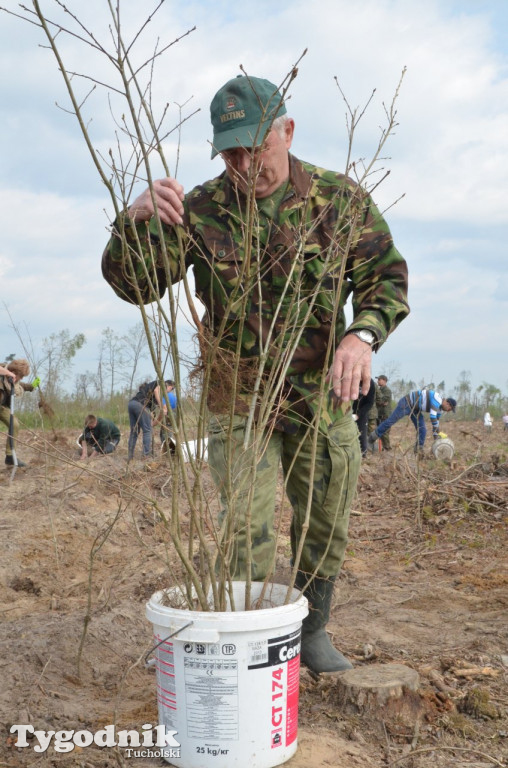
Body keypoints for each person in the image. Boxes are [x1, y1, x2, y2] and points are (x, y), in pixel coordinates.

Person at [101, 74, 410, 673]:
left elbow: (387, 277)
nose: (244, 165)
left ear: (286, 132)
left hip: (320, 397)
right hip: (237, 398)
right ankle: (246, 642)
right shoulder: (198, 210)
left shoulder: (337, 199)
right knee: (246, 528)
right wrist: (135, 223)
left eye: (256, 148)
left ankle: (313, 631)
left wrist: (361, 334)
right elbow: (135, 285)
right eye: (231, 152)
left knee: (325, 522)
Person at [368, 388, 456, 454]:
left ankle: (418, 451)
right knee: (390, 421)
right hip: (406, 403)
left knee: (422, 429)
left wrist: (437, 438)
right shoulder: (437, 399)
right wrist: (436, 431)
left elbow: (436, 423)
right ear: (448, 404)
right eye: (449, 409)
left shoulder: (440, 410)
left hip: (415, 409)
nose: (448, 411)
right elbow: (432, 417)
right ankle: (371, 439)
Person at [0, 359, 39, 467]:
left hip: (1, 408)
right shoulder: (3, 370)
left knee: (14, 424)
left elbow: (20, 385)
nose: (19, 379)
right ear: (13, 371)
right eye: (19, 376)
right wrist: (8, 373)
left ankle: (10, 456)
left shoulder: (13, 381)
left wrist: (32, 386)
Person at [127, 378, 176, 460]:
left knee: (134, 431)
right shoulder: (161, 383)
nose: (170, 391)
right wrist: (161, 407)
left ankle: (130, 456)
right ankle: (146, 455)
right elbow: (156, 391)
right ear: (169, 385)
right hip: (140, 405)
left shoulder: (153, 397)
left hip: (131, 404)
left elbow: (160, 413)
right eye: (172, 388)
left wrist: (154, 423)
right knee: (147, 431)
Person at [352, 378, 376, 457]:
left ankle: (363, 454)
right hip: (347, 409)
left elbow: (370, 402)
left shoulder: (370, 383)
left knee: (362, 434)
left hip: (361, 411)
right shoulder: (350, 377)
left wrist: (359, 414)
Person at [375, 375, 393, 450]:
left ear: (384, 381)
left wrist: (378, 401)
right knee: (379, 432)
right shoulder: (379, 390)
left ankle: (387, 448)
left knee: (384, 432)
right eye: (378, 379)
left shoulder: (387, 390)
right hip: (379, 414)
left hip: (385, 414)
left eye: (379, 379)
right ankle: (382, 448)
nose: (378, 381)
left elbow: (382, 400)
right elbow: (377, 401)